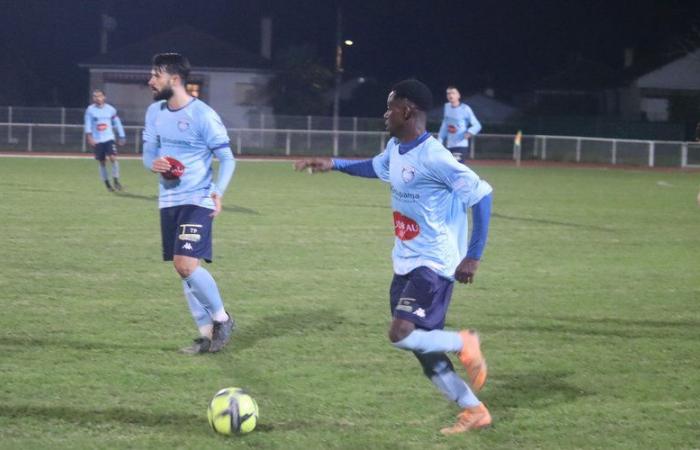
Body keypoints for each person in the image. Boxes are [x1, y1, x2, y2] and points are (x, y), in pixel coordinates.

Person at [294, 79, 494, 434]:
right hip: (405, 260)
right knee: (422, 350)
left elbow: (482, 195)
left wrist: (473, 256)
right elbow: (377, 166)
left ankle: (464, 342)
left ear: (408, 110)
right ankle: (473, 410)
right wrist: (334, 164)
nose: (385, 113)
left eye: (390, 106)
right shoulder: (396, 148)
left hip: (433, 263)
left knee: (401, 333)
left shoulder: (435, 157)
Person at [142, 53, 236, 354]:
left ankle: (223, 318)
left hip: (198, 198)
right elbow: (148, 155)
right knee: (183, 269)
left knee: (185, 264)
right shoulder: (154, 112)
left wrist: (217, 192)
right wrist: (155, 163)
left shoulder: (203, 115)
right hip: (168, 200)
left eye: (156, 75)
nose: (150, 81)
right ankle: (207, 335)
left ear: (174, 78)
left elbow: (227, 158)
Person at [84, 88, 126, 191]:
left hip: (109, 138)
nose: (97, 98)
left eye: (99, 96)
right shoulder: (90, 110)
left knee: (113, 158)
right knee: (102, 162)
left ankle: (116, 181)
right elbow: (88, 124)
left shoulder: (111, 110)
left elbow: (117, 123)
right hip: (97, 140)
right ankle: (107, 184)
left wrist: (122, 135)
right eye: (95, 96)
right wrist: (89, 137)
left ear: (104, 97)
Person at [438, 86, 482, 161]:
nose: (450, 95)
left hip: (461, 145)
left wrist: (469, 132)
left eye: (453, 93)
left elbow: (477, 125)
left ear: (458, 95)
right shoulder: (447, 107)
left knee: (456, 169)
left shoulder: (465, 108)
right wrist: (439, 141)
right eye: (448, 93)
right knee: (449, 169)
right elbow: (444, 126)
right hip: (449, 145)